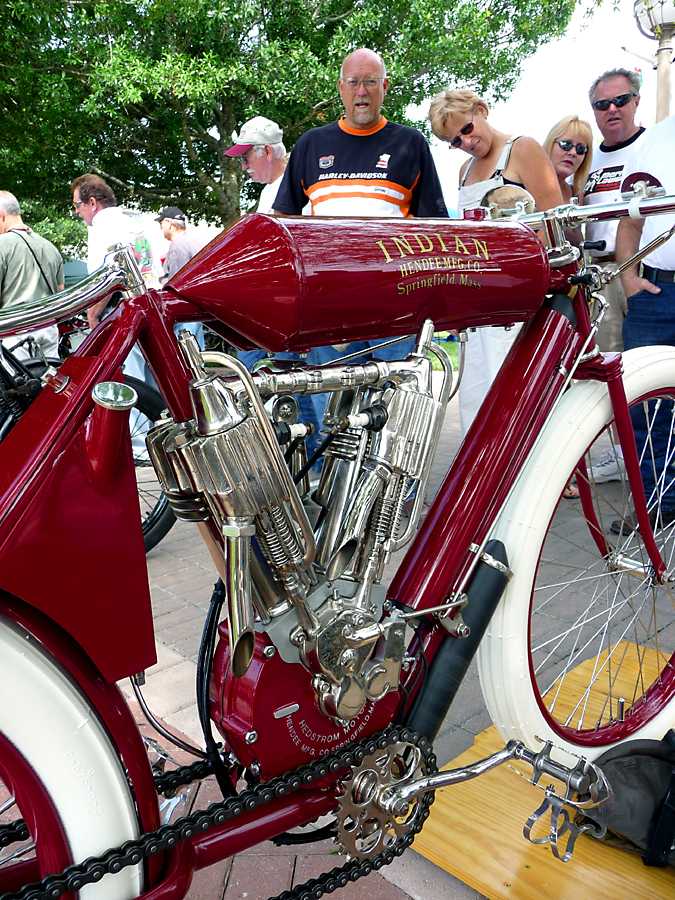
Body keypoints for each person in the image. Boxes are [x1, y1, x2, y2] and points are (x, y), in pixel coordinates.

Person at [272, 49, 447, 455]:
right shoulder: (312, 145)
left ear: (385, 87)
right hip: (325, 306)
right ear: (341, 89)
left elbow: (432, 227)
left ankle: (384, 501)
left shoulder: (410, 144)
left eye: (371, 82)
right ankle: (327, 501)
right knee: (329, 411)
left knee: (387, 409)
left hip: (393, 307)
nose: (362, 92)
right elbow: (285, 222)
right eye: (353, 82)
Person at [428, 88, 563, 435]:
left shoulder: (522, 149)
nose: (466, 142)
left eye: (467, 130)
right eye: (455, 141)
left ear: (481, 110)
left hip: (520, 295)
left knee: (523, 391)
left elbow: (554, 219)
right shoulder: (464, 171)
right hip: (481, 300)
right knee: (480, 391)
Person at [583, 68, 647, 484]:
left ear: (636, 101)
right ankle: (626, 455)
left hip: (644, 267)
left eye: (620, 101)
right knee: (611, 368)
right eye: (601, 105)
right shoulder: (590, 158)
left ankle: (646, 456)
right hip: (600, 270)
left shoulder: (653, 146)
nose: (611, 110)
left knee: (646, 368)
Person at [613, 113, 675, 531]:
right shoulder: (656, 139)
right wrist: (630, 277)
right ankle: (659, 502)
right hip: (658, 292)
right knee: (647, 406)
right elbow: (633, 215)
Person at [71, 174, 162, 329]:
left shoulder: (102, 225)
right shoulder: (134, 219)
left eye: (77, 205)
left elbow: (108, 277)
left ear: (92, 202)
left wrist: (92, 314)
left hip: (128, 313)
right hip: (156, 304)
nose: (77, 211)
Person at [0, 190, 63, 360]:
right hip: (49, 329)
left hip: (15, 333)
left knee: (18, 386)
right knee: (50, 384)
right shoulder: (49, 246)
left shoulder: (1, 246)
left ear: (2, 215)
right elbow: (60, 291)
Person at [225, 117, 288, 214]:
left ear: (268, 152)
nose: (243, 167)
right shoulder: (268, 192)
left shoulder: (298, 187)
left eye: (245, 158)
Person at [543, 115, 593, 205]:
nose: (573, 153)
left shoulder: (578, 197)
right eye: (566, 144)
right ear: (550, 144)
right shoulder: (525, 186)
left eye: (580, 149)